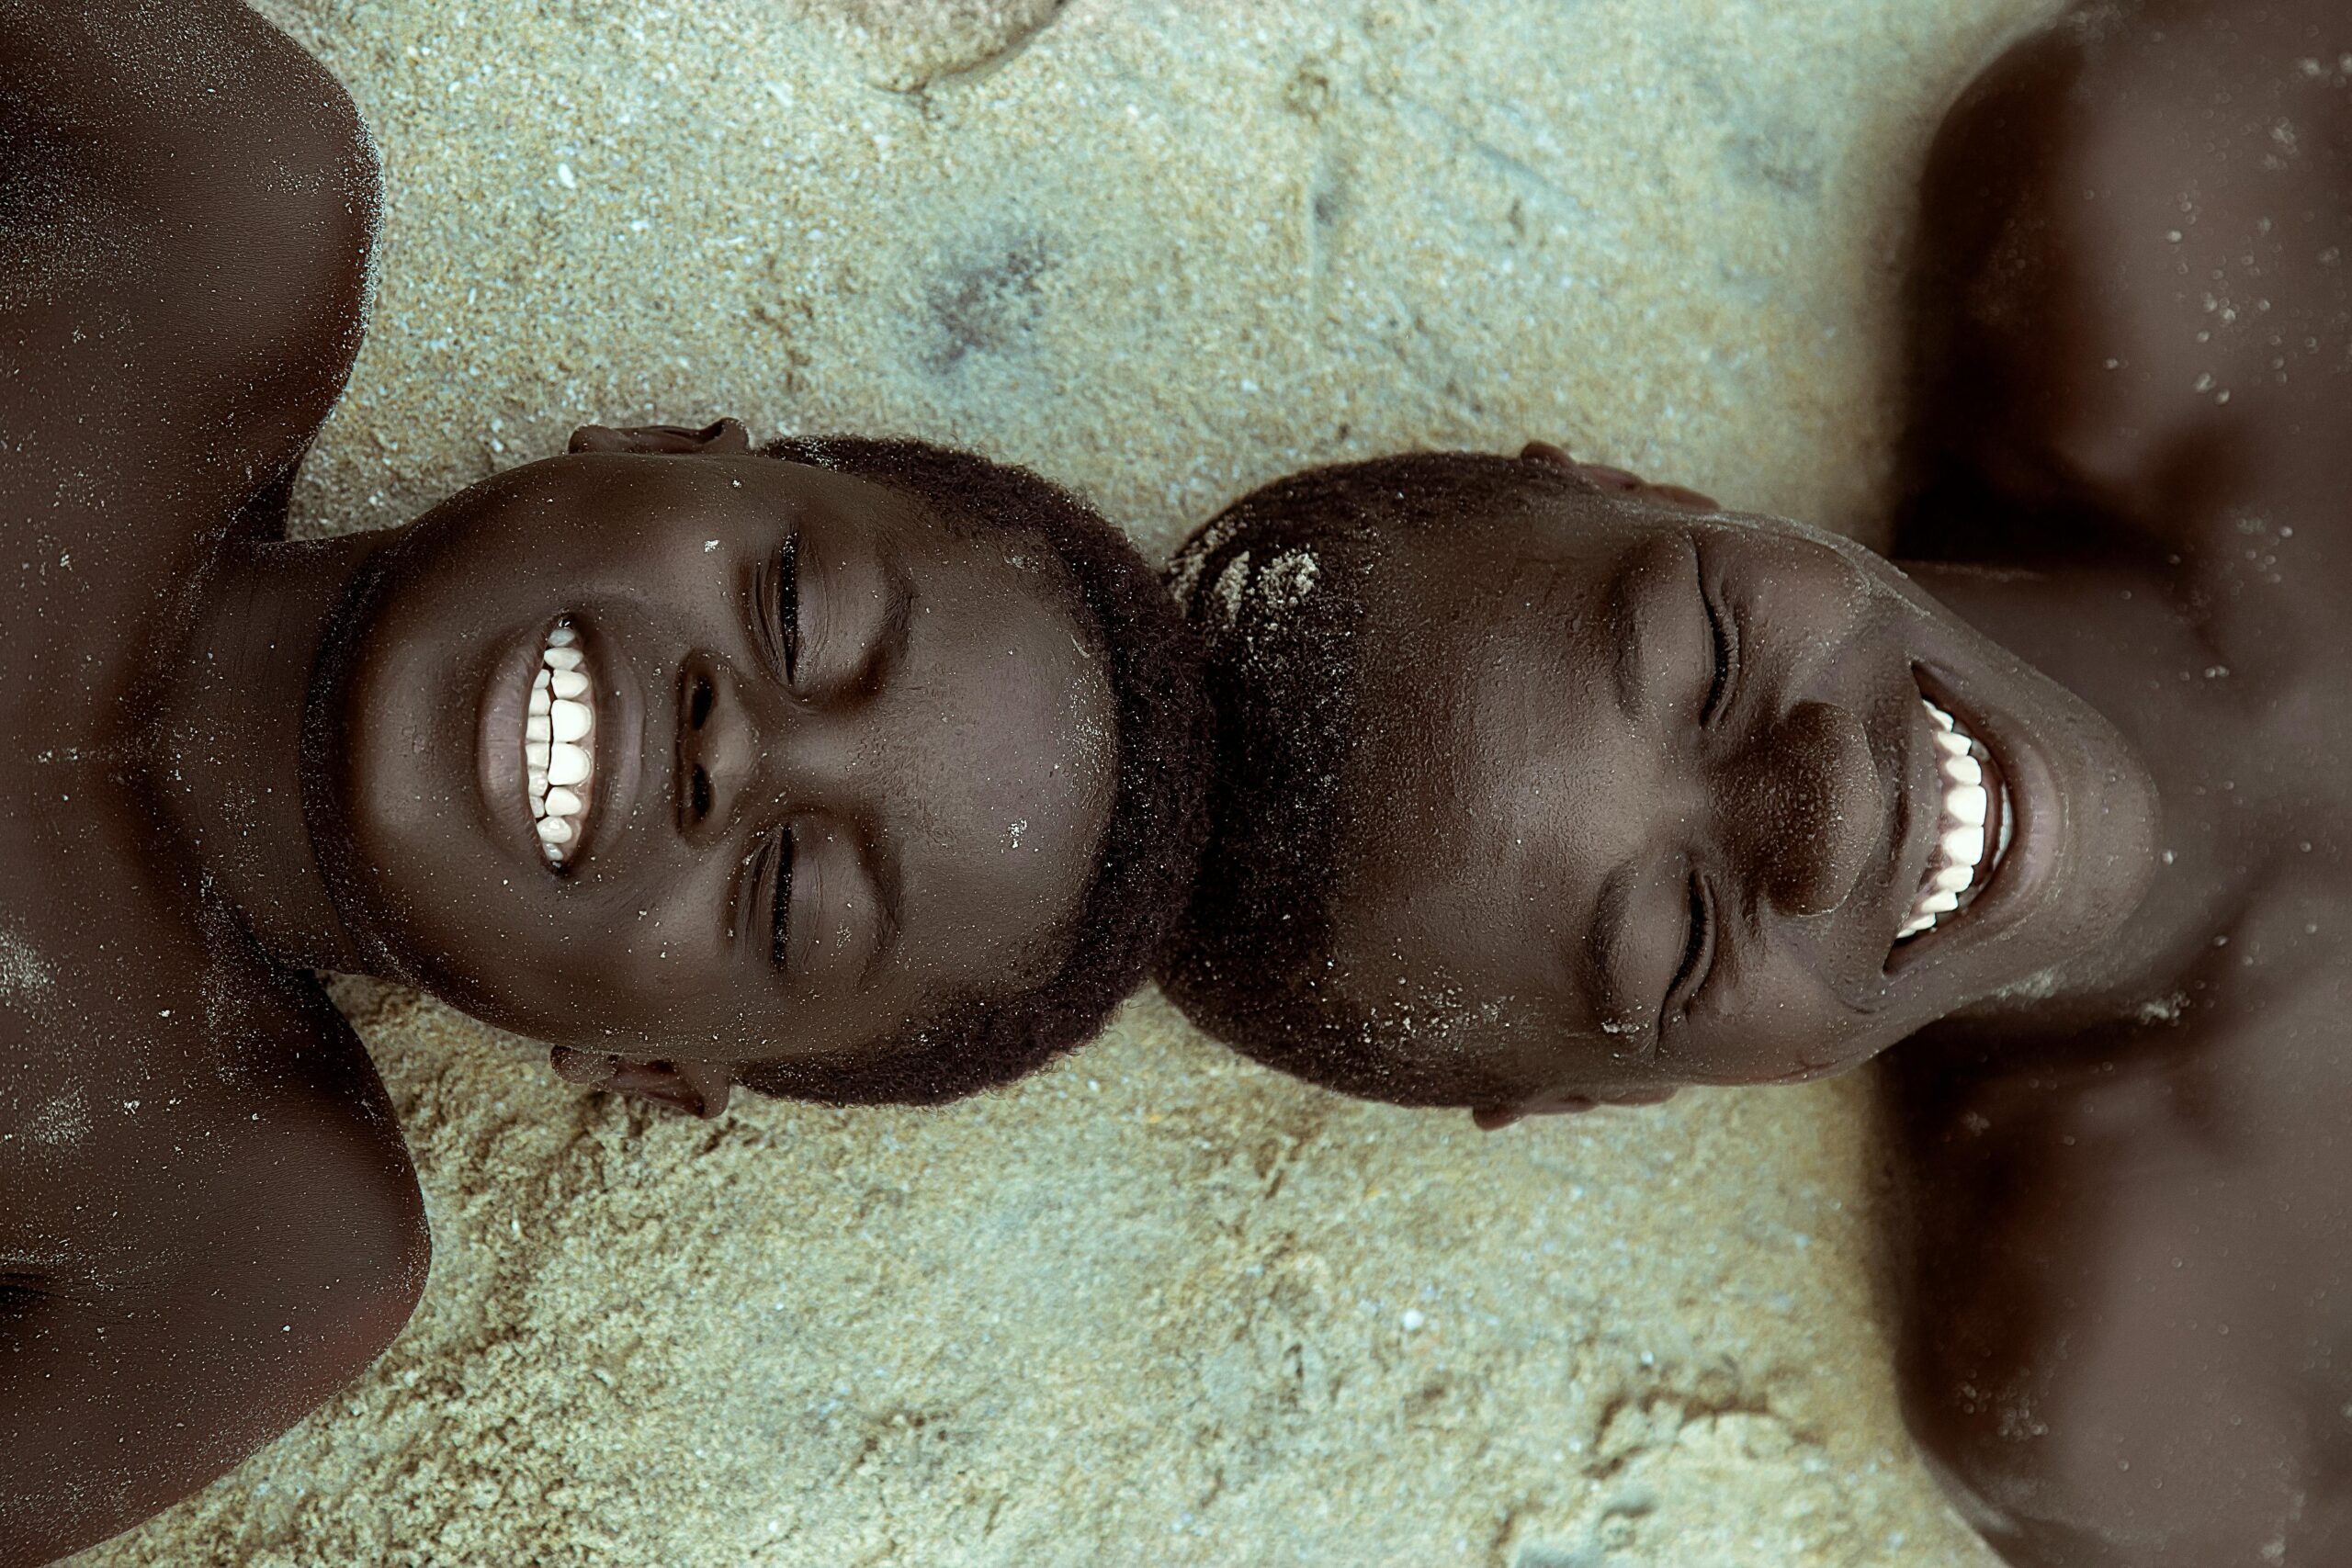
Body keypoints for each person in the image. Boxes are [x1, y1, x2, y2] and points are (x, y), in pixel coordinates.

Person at [0, 5, 1210, 1562]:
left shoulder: (244, 1245)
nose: (733, 749)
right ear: (664, 444)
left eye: (788, 899)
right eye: (793, 611)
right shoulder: (210, 214)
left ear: (648, 1066)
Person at [1159, 0, 2348, 1561]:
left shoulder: (2169, 200)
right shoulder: (2151, 1404)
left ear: (1633, 489)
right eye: (1676, 942)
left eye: (1710, 654)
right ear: (1612, 1095)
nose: (1822, 814)